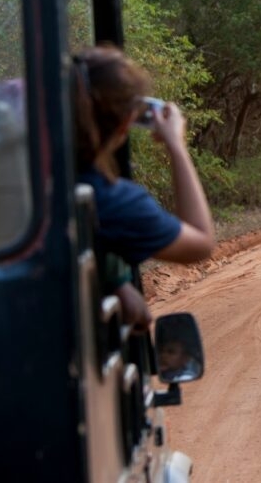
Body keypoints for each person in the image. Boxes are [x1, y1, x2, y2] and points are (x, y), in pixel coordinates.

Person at [72, 45, 215, 331]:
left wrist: (117, 281)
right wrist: (176, 146)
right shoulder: (112, 200)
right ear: (126, 123)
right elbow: (201, 243)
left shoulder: (30, 177)